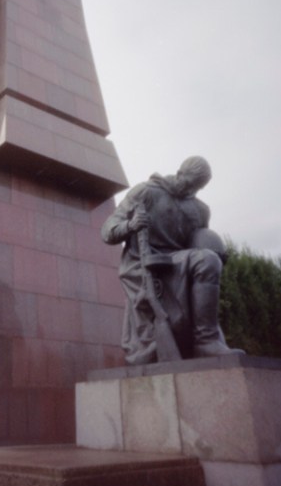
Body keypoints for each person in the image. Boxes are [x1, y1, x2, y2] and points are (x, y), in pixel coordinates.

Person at [101, 156, 243, 364]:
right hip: (145, 264)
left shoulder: (200, 210)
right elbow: (107, 232)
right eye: (189, 183)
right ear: (180, 173)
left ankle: (206, 341)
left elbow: (197, 244)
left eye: (197, 188)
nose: (190, 191)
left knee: (209, 259)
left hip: (178, 263)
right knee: (205, 260)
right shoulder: (146, 192)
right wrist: (130, 226)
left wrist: (217, 251)